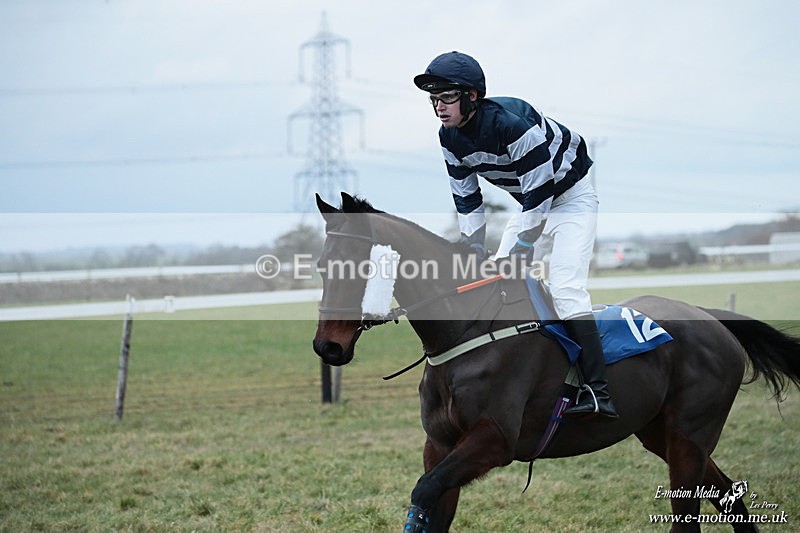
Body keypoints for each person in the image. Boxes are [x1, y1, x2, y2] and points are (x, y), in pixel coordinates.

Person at [413, 51, 618, 419]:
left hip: (569, 198)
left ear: (472, 96)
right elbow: (467, 197)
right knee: (495, 281)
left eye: (446, 98)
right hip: (530, 203)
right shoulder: (449, 137)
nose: (439, 107)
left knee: (567, 289)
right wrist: (473, 249)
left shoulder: (512, 127)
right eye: (434, 99)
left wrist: (521, 250)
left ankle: (598, 392)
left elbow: (540, 193)